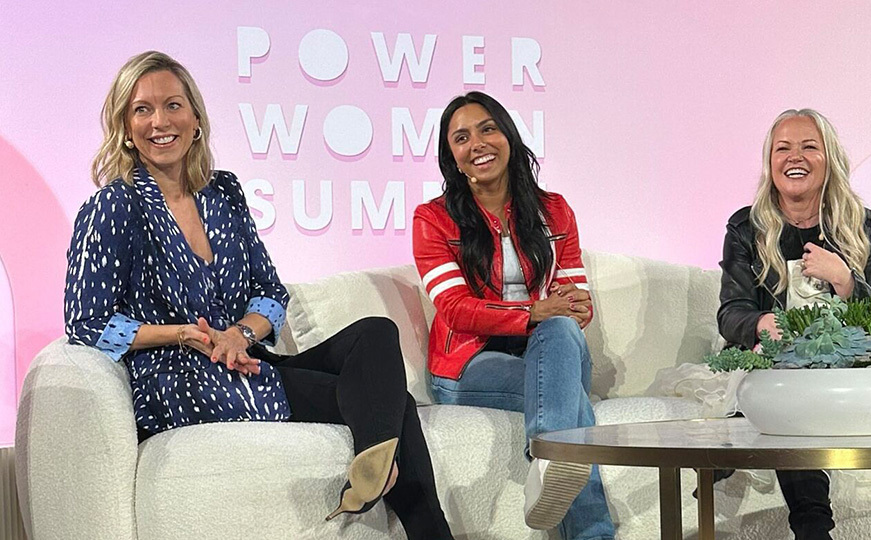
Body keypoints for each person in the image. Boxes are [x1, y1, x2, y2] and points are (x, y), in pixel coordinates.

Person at [64, 51, 453, 539]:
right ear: (125, 127)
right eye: (142, 109)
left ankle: (375, 464)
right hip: (179, 381)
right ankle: (399, 490)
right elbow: (87, 323)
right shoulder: (113, 206)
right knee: (393, 403)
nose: (159, 122)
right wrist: (184, 334)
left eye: (173, 105)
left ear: (196, 119)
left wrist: (239, 334)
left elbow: (269, 290)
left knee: (376, 333)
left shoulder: (222, 193)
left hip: (247, 360)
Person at [412, 91, 615, 540]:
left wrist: (576, 305)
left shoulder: (554, 210)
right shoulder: (433, 219)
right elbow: (456, 309)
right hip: (467, 363)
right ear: (453, 158)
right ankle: (563, 474)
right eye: (461, 138)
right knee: (571, 408)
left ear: (508, 136)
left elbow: (574, 302)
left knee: (560, 329)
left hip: (550, 350)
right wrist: (534, 310)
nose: (477, 144)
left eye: (487, 129)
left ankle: (548, 458)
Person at [717, 109, 871, 540]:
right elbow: (730, 313)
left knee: (799, 392)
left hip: (845, 363)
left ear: (829, 158)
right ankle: (814, 529)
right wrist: (762, 322)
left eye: (809, 147)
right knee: (788, 389)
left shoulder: (862, 224)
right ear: (770, 162)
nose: (794, 157)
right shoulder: (746, 228)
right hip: (775, 363)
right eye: (783, 148)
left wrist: (845, 280)